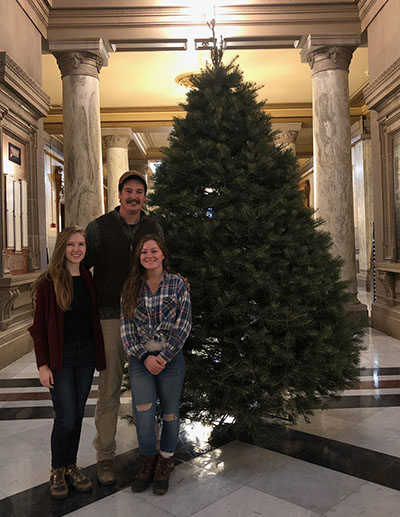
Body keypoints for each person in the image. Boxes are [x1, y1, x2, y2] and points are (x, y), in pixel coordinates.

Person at [85, 170, 163, 485]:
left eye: (139, 192)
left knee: (148, 387)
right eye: (128, 191)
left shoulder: (153, 226)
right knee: (109, 388)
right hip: (109, 317)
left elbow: (160, 261)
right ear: (119, 195)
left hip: (146, 317)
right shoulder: (99, 228)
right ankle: (105, 456)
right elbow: (80, 264)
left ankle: (151, 452)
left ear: (144, 196)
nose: (133, 197)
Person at [29, 226, 106, 500]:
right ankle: (57, 469)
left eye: (81, 245)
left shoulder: (87, 278)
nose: (77, 249)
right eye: (72, 244)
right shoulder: (49, 282)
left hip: (85, 355)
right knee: (65, 418)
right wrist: (43, 365)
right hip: (60, 358)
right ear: (63, 247)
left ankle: (71, 465)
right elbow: (38, 329)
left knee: (76, 415)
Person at [120, 234, 191, 495]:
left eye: (154, 251)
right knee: (144, 413)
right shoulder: (131, 287)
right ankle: (147, 461)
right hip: (141, 361)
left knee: (171, 414)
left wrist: (163, 357)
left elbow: (184, 324)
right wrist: (144, 357)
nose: (149, 255)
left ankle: (165, 461)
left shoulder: (178, 285)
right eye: (143, 252)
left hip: (170, 361)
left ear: (162, 255)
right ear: (139, 258)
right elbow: (126, 329)